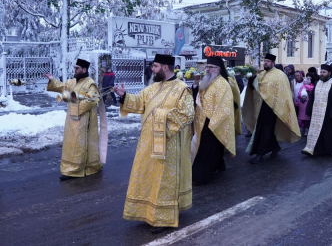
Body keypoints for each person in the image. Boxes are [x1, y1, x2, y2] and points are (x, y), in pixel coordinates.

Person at [114, 54, 195, 233]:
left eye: (155, 66)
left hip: (169, 143)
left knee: (164, 179)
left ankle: (164, 217)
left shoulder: (182, 89)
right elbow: (139, 103)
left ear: (165, 67)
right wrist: (124, 95)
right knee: (148, 175)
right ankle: (149, 211)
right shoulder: (152, 88)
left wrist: (162, 123)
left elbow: (187, 114)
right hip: (147, 142)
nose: (152, 68)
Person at [45, 58, 106, 181]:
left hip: (83, 121)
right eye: (75, 68)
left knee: (80, 146)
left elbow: (93, 100)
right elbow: (63, 88)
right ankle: (69, 168)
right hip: (71, 121)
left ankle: (80, 169)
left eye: (77, 68)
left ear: (84, 69)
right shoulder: (72, 82)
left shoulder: (90, 83)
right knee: (70, 145)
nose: (75, 70)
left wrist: (76, 108)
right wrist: (52, 80)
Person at [243, 53, 301, 164]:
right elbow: (254, 88)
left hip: (272, 108)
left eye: (268, 61)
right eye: (264, 61)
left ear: (273, 63)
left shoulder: (279, 75)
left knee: (265, 131)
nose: (265, 63)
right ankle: (275, 147)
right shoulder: (261, 74)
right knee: (265, 131)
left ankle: (260, 154)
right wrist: (252, 77)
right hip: (260, 107)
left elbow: (284, 93)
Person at [191, 56, 236, 184]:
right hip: (202, 121)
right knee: (212, 149)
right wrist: (195, 85)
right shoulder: (208, 80)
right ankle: (218, 166)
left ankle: (200, 177)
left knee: (205, 151)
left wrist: (212, 124)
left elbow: (225, 108)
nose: (208, 69)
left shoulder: (222, 84)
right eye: (207, 67)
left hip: (212, 123)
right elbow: (198, 97)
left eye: (211, 67)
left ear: (218, 69)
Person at [302, 64, 332, 156]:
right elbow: (312, 98)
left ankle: (327, 150)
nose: (321, 74)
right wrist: (309, 110)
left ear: (329, 73)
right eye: (321, 72)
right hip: (317, 114)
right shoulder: (317, 83)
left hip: (328, 113)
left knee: (328, 133)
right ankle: (314, 149)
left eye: (324, 72)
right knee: (317, 132)